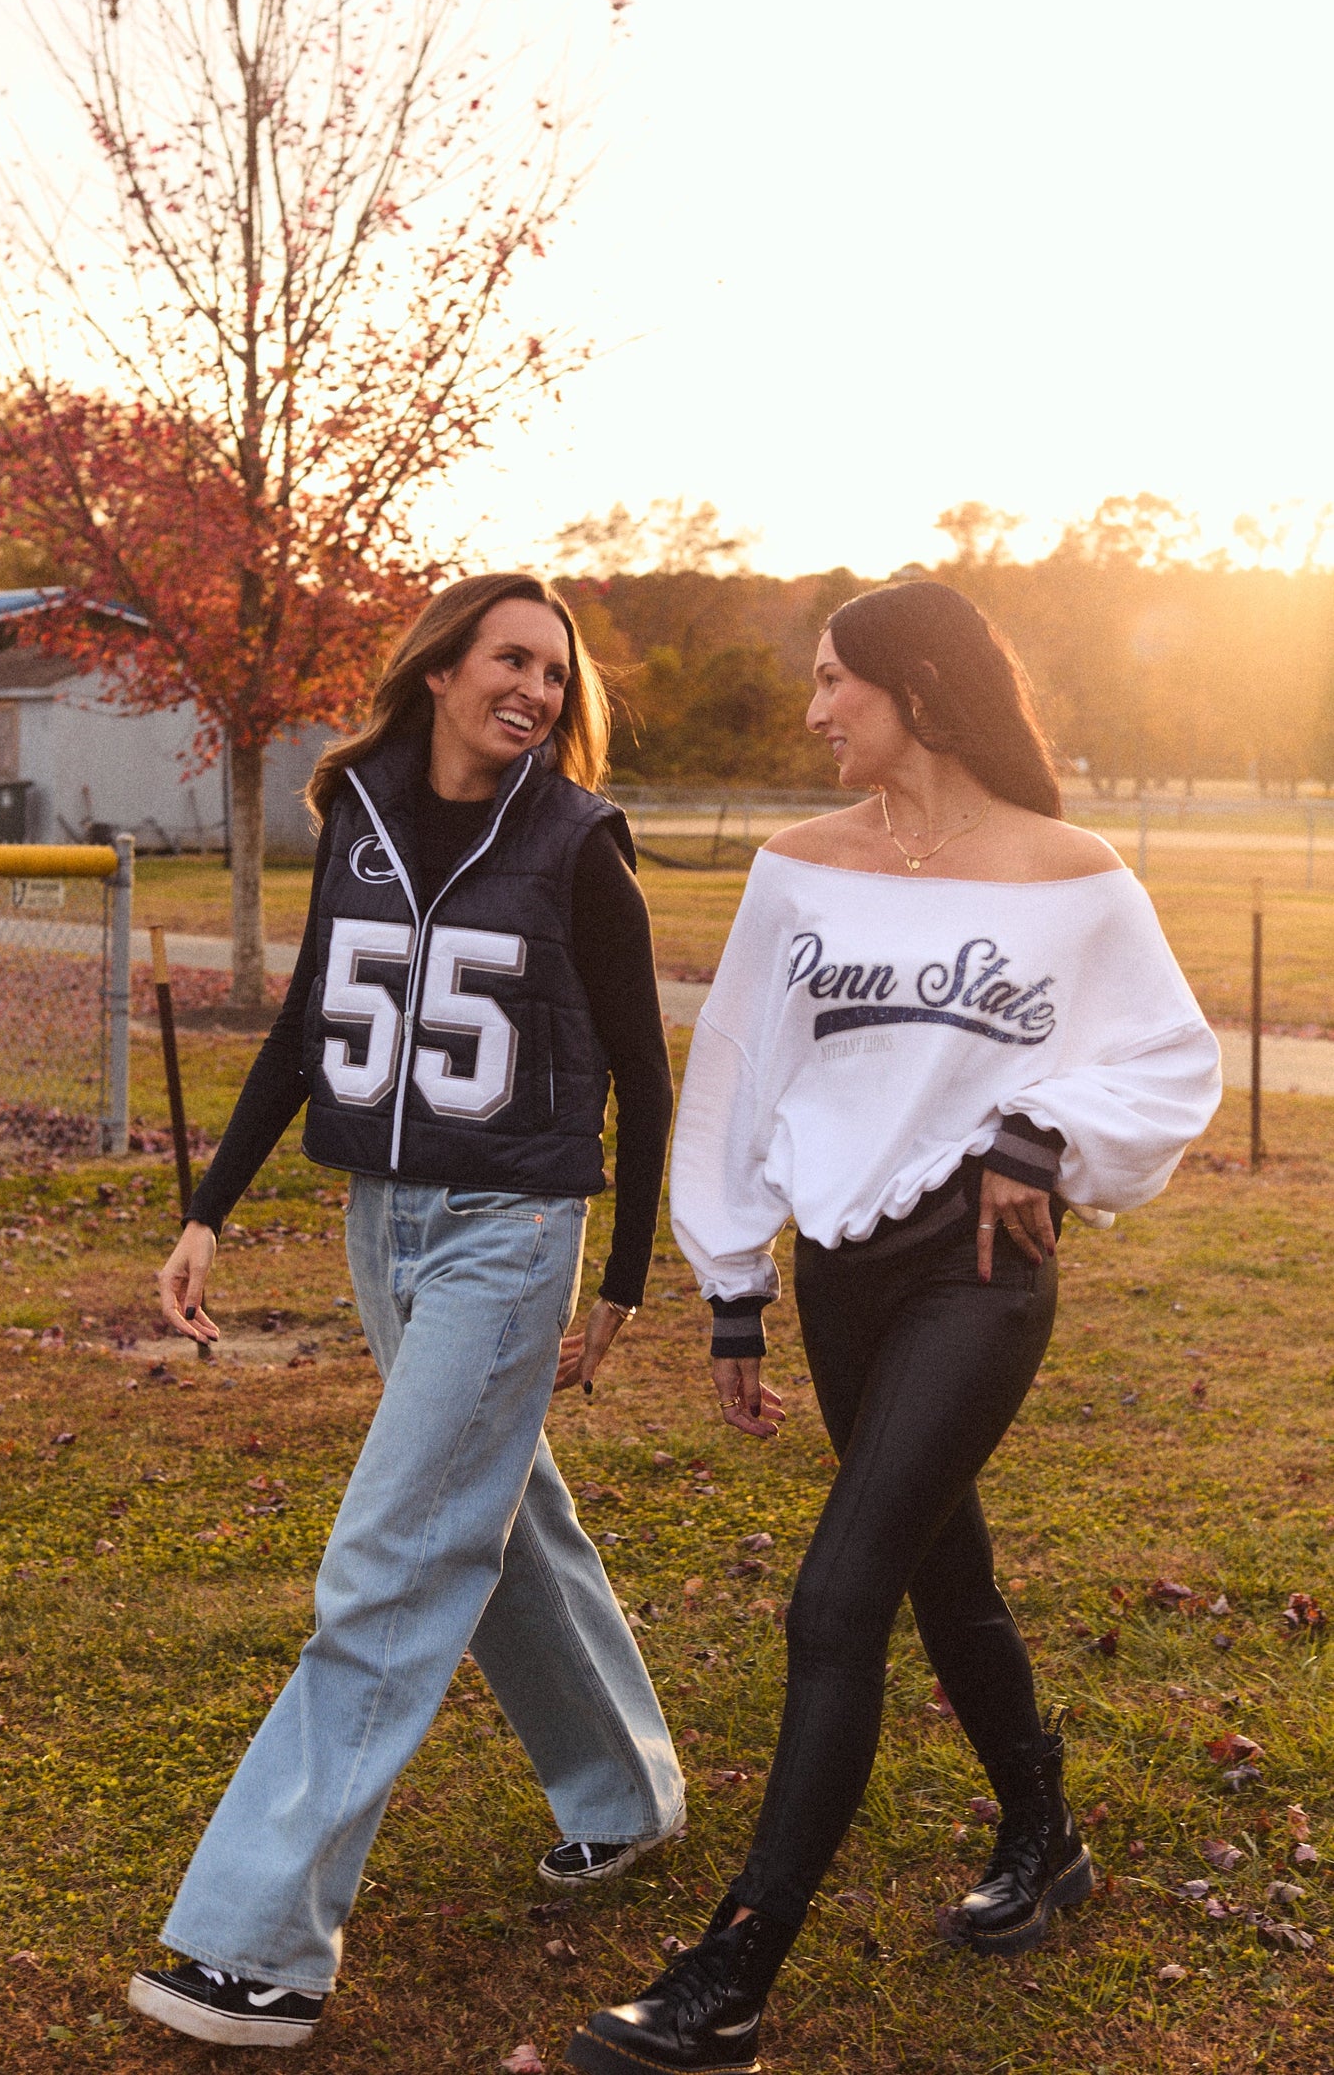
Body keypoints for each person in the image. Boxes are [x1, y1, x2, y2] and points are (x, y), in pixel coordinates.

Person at [568, 579, 1221, 2075]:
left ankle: (728, 1980)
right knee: (941, 1565)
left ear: (915, 688)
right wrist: (729, 1292)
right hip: (837, 1271)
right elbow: (738, 1069)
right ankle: (1041, 1831)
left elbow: (1169, 1062)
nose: (809, 715)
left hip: (975, 1270)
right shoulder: (798, 869)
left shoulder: (1073, 877)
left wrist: (1041, 1137)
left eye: (830, 686)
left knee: (836, 1597)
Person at [128, 572, 685, 2050]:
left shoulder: (575, 844)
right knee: (495, 1519)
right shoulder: (358, 811)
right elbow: (311, 1024)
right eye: (510, 660)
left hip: (512, 1233)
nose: (537, 692)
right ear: (438, 668)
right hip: (386, 1227)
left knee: (390, 1560)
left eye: (555, 677)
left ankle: (256, 1949)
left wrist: (622, 1279)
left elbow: (642, 1072)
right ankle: (626, 1793)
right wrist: (207, 1210)